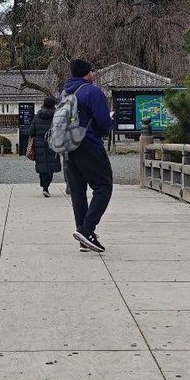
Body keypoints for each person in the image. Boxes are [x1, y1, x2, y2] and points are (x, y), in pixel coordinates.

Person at [61, 59, 114, 253]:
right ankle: (87, 230)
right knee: (103, 186)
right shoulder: (92, 91)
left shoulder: (65, 93)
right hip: (89, 144)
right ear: (87, 73)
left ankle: (84, 238)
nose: (94, 74)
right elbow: (103, 121)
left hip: (69, 148)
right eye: (93, 71)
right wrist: (109, 123)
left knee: (78, 192)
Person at [27, 96, 61, 197]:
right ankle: (46, 186)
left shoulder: (37, 116)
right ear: (53, 105)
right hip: (52, 142)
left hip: (39, 143)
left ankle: (44, 186)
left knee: (42, 164)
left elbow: (31, 131)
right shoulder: (55, 116)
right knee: (51, 164)